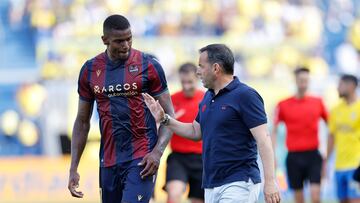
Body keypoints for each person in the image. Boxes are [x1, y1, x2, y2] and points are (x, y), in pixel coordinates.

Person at [143, 44, 280, 203]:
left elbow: (264, 140)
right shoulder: (208, 97)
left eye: (201, 66)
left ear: (216, 68)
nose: (198, 71)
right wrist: (164, 119)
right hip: (212, 183)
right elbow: (195, 131)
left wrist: (270, 182)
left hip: (239, 181)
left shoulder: (246, 95)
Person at [67, 14, 174, 203]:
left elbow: (168, 115)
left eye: (129, 38)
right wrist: (73, 167)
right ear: (105, 40)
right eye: (119, 41)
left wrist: (157, 152)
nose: (126, 45)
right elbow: (82, 122)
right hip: (108, 159)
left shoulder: (149, 65)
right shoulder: (90, 70)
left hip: (142, 156)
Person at [271, 67, 328, 203]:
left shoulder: (318, 102)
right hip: (294, 157)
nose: (303, 83)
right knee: (298, 198)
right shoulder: (283, 104)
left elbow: (330, 125)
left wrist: (326, 149)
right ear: (295, 81)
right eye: (301, 80)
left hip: (313, 155)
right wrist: (273, 155)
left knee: (315, 196)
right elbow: (274, 130)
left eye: (306, 80)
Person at [165, 63, 205, 203]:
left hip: (202, 159)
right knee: (173, 193)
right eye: (183, 82)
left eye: (190, 82)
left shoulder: (206, 99)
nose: (186, 86)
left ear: (198, 78)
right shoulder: (171, 100)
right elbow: (160, 125)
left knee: (198, 200)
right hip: (178, 157)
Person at [326, 74, 360, 203]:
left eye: (340, 84)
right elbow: (331, 137)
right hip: (339, 166)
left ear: (351, 86)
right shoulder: (335, 110)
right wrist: (326, 161)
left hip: (356, 165)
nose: (337, 88)